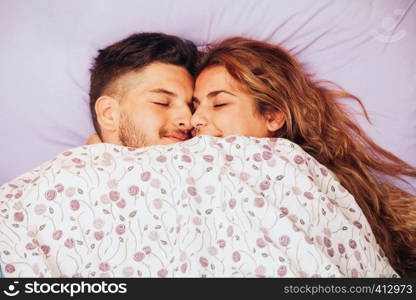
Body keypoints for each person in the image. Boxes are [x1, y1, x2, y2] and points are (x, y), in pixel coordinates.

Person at [189, 37, 416, 277]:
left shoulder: (316, 182)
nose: (195, 119)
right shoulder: (189, 166)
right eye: (194, 106)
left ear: (274, 116)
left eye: (219, 104)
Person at [88, 32, 198, 148]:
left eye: (193, 107)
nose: (189, 120)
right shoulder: (72, 164)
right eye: (162, 103)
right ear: (108, 114)